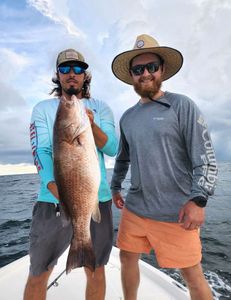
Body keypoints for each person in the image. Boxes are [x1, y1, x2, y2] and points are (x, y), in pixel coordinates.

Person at [110, 34, 217, 300]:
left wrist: (199, 199)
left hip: (176, 213)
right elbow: (123, 158)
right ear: (132, 76)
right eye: (138, 69)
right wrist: (115, 187)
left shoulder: (182, 105)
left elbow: (205, 156)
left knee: (192, 275)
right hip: (135, 208)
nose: (145, 73)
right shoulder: (128, 117)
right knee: (126, 258)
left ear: (162, 70)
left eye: (151, 67)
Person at [24, 48, 118, 300]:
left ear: (85, 75)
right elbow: (41, 150)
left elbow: (112, 147)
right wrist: (53, 185)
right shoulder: (43, 108)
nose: (72, 74)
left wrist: (91, 124)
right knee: (39, 272)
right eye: (65, 69)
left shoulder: (101, 108)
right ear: (58, 75)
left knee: (97, 270)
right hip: (51, 200)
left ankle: (81, 246)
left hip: (98, 199)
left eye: (78, 69)